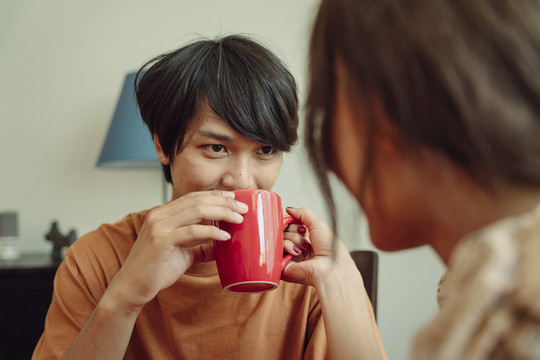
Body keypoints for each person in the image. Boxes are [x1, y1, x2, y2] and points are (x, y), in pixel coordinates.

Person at [33, 35, 341, 359]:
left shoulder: (306, 265)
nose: (242, 180)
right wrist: (125, 298)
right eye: (216, 148)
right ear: (163, 146)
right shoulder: (96, 258)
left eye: (265, 150)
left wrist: (339, 282)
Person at [282, 0, 540, 358]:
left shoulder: (509, 313)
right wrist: (335, 277)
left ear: (382, 108)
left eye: (328, 102)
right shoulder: (469, 286)